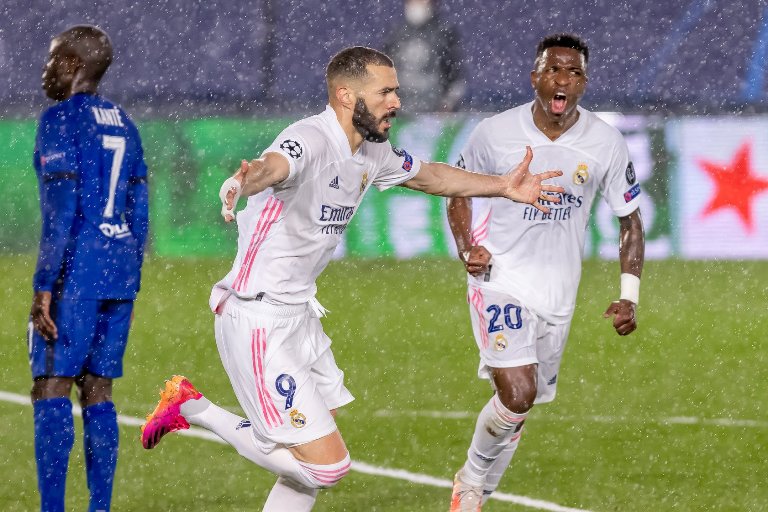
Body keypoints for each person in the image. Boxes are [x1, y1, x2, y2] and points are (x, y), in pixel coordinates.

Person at [140, 46, 564, 511]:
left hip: (299, 313)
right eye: (385, 92)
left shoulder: (372, 151)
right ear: (346, 95)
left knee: (306, 459)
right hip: (257, 318)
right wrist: (244, 181)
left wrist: (502, 186)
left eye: (396, 91)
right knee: (326, 467)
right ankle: (191, 406)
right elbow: (273, 165)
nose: (396, 102)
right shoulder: (310, 139)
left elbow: (432, 177)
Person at [446, 33, 645, 511]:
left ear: (584, 84)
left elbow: (630, 221)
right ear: (534, 77)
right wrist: (468, 247)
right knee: (518, 391)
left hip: (558, 294)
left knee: (521, 404)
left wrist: (629, 295)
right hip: (500, 278)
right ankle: (470, 481)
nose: (563, 80)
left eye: (573, 72)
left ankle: (477, 495)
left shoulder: (605, 142)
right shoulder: (494, 132)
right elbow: (457, 190)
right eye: (553, 70)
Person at [28, 25, 149, 512]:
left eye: (53, 59)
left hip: (76, 269)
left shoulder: (60, 120)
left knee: (51, 386)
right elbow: (139, 213)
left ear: (74, 64)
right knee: (98, 390)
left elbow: (62, 208)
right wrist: (130, 283)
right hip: (118, 269)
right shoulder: (125, 122)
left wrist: (44, 284)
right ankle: (100, 507)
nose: (45, 70)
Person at [383, 0, 465, 111]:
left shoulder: (443, 33)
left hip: (433, 114)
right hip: (400, 113)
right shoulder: (397, 34)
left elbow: (457, 78)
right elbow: (383, 73)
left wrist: (448, 104)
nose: (416, 4)